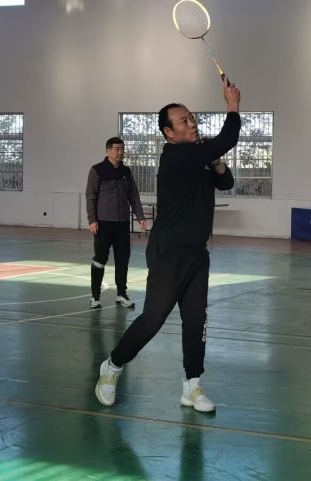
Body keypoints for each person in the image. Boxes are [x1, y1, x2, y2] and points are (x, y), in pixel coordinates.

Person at [95, 78, 240, 413]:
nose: (191, 123)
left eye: (192, 118)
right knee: (153, 319)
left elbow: (225, 181)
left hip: (196, 252)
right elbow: (228, 138)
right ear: (168, 133)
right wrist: (232, 105)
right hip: (169, 250)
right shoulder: (176, 156)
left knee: (196, 320)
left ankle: (192, 386)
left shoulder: (197, 158)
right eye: (183, 121)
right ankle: (112, 366)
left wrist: (215, 160)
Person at [85, 137, 147, 309]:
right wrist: (92, 220)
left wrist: (140, 216)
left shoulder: (126, 172)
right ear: (108, 151)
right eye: (117, 149)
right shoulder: (97, 170)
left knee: (122, 260)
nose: (120, 152)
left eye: (122, 149)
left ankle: (121, 294)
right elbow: (91, 197)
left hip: (122, 224)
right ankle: (95, 297)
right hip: (103, 223)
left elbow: (133, 196)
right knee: (100, 260)